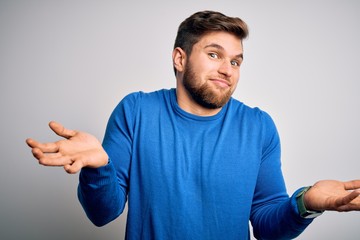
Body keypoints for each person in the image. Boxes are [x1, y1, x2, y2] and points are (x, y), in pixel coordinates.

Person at [26, 10, 360, 239]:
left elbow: (266, 226)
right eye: (214, 54)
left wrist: (306, 204)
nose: (228, 69)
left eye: (236, 61)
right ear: (180, 58)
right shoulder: (136, 111)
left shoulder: (258, 126)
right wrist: (99, 167)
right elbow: (103, 214)